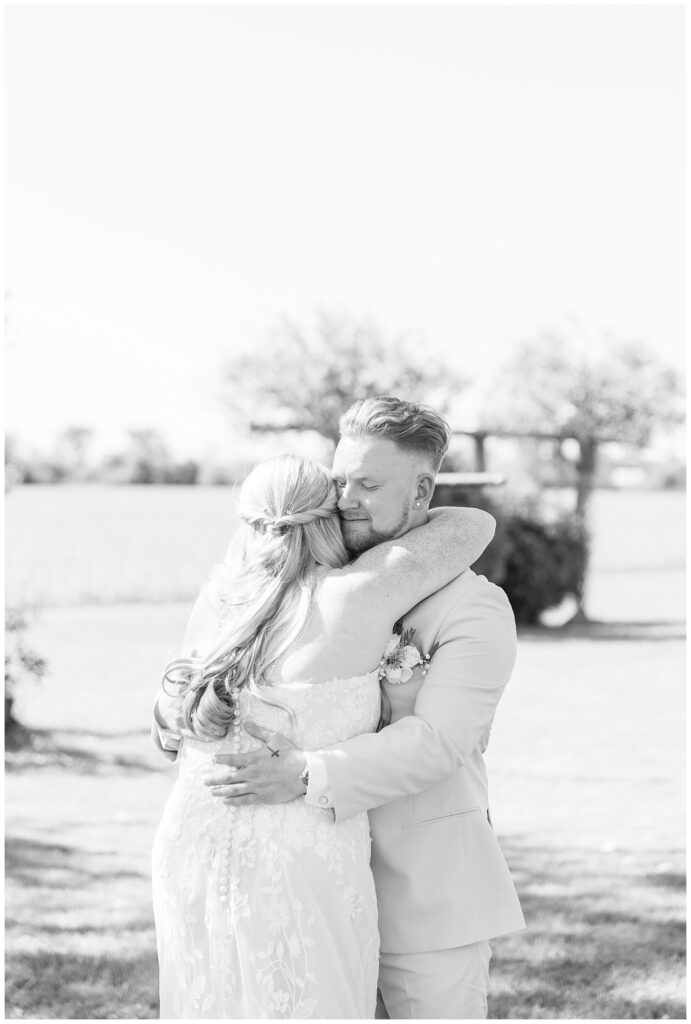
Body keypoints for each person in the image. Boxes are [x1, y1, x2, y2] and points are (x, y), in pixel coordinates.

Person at [187, 396, 527, 1019]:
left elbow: (438, 742)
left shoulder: (475, 610)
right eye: (341, 479)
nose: (346, 498)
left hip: (428, 904)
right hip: (312, 888)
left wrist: (305, 772)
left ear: (423, 493)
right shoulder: (306, 583)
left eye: (369, 484)